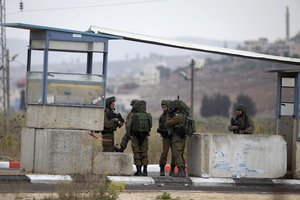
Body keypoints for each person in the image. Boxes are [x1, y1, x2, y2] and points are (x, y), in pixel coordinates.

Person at [128, 100, 152, 176]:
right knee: (144, 153)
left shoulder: (133, 115)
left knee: (137, 152)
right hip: (145, 136)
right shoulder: (148, 115)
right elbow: (150, 125)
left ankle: (138, 171)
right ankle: (145, 170)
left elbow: (128, 125)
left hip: (135, 136)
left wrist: (130, 135)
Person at [165, 99, 187, 177]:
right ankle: (182, 170)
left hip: (177, 137)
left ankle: (181, 170)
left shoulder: (179, 116)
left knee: (176, 153)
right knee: (179, 154)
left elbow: (167, 123)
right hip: (181, 136)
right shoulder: (184, 114)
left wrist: (168, 115)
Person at [157, 100, 175, 176]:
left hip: (174, 137)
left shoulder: (173, 115)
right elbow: (160, 126)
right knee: (164, 153)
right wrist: (162, 131)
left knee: (175, 154)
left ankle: (172, 170)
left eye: (164, 107)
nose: (163, 108)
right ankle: (162, 169)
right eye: (162, 107)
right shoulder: (162, 117)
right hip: (166, 137)